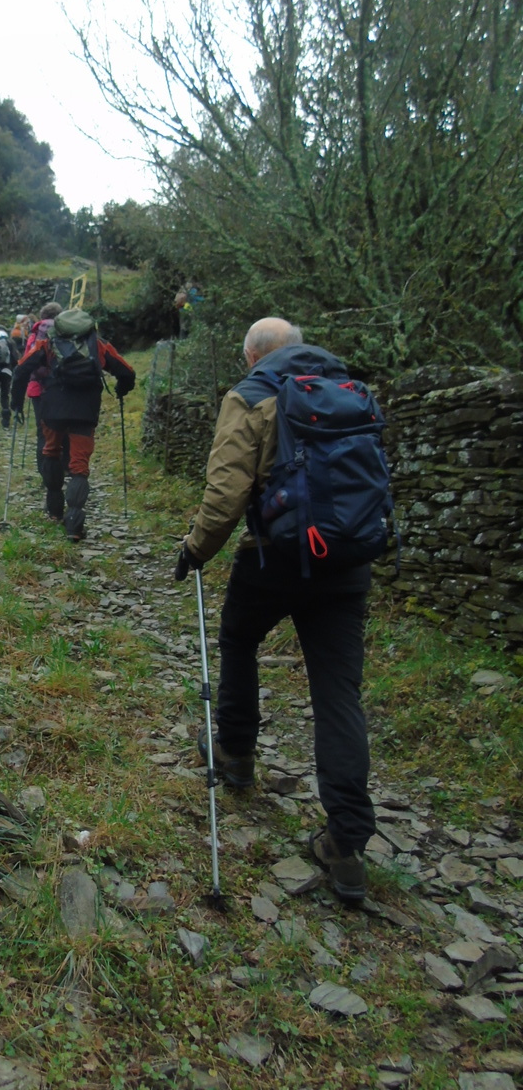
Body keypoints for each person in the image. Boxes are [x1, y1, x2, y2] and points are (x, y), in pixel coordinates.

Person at [173, 316, 375, 902]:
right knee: (338, 693)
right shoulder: (347, 387)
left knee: (239, 639)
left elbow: (227, 492)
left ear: (252, 355)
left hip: (276, 553)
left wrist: (196, 549)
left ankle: (236, 754)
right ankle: (346, 843)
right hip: (345, 560)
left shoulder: (251, 394)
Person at [12, 307, 135, 541]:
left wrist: (16, 403)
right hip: (85, 410)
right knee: (79, 466)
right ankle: (74, 527)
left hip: (53, 407)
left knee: (51, 452)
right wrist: (121, 390)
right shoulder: (97, 345)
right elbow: (127, 372)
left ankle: (54, 510)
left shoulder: (47, 344)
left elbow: (21, 370)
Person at [22, 301, 63, 479]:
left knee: (43, 432)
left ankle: (45, 473)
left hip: (38, 389)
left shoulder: (35, 334)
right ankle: (63, 467)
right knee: (62, 428)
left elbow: (26, 361)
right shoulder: (65, 332)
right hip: (61, 388)